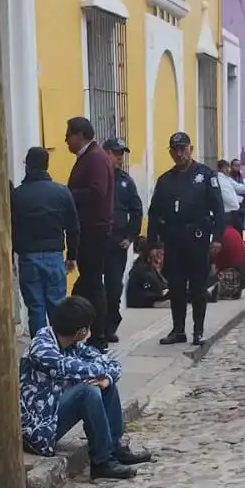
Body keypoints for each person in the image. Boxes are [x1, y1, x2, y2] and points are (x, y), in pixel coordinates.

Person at [20, 296, 150, 481]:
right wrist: (101, 373)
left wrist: (106, 378)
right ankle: (102, 461)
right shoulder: (41, 347)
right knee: (88, 390)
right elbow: (72, 367)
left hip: (55, 414)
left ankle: (114, 447)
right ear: (81, 331)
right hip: (39, 429)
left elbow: (112, 363)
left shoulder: (73, 345)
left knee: (104, 384)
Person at [148, 132, 225, 347]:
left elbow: (218, 209)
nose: (180, 153)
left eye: (183, 148)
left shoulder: (205, 175)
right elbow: (154, 213)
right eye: (175, 150)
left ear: (190, 149)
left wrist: (217, 238)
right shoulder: (165, 180)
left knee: (198, 288)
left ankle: (198, 331)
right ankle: (178, 330)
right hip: (174, 240)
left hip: (198, 239)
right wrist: (153, 243)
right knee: (177, 287)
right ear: (171, 152)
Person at [11, 146, 79, 337]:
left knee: (35, 308)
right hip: (54, 256)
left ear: (28, 166)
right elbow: (73, 228)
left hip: (28, 257)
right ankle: (59, 347)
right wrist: (72, 256)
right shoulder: (62, 192)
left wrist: (10, 258)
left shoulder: (17, 195)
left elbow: (10, 229)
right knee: (57, 305)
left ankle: (40, 350)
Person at [66, 117, 114, 350]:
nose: (66, 140)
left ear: (80, 135)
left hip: (95, 230)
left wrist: (69, 194)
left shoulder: (95, 159)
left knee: (94, 284)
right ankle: (82, 329)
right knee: (88, 283)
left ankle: (100, 335)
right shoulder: (88, 157)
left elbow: (97, 192)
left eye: (69, 135)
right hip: (89, 229)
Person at [103, 137, 143, 342]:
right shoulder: (97, 176)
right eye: (116, 153)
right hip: (97, 241)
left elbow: (137, 211)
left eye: (121, 154)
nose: (120, 158)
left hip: (118, 242)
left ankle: (110, 326)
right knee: (92, 286)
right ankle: (95, 325)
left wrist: (130, 236)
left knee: (114, 286)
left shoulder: (126, 181)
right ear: (106, 153)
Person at [124, 238, 169, 309]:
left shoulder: (149, 267)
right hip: (140, 301)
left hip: (150, 298)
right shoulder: (140, 269)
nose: (159, 258)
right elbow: (155, 288)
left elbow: (162, 284)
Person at [211, 223, 245, 300]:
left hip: (232, 273)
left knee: (214, 278)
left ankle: (221, 289)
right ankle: (234, 290)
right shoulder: (234, 231)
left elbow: (215, 263)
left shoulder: (219, 236)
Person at [215, 159, 243, 232]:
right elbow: (226, 195)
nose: (227, 170)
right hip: (229, 213)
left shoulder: (227, 179)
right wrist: (236, 204)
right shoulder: (221, 180)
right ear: (220, 169)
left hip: (234, 211)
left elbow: (236, 188)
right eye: (225, 168)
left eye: (228, 167)